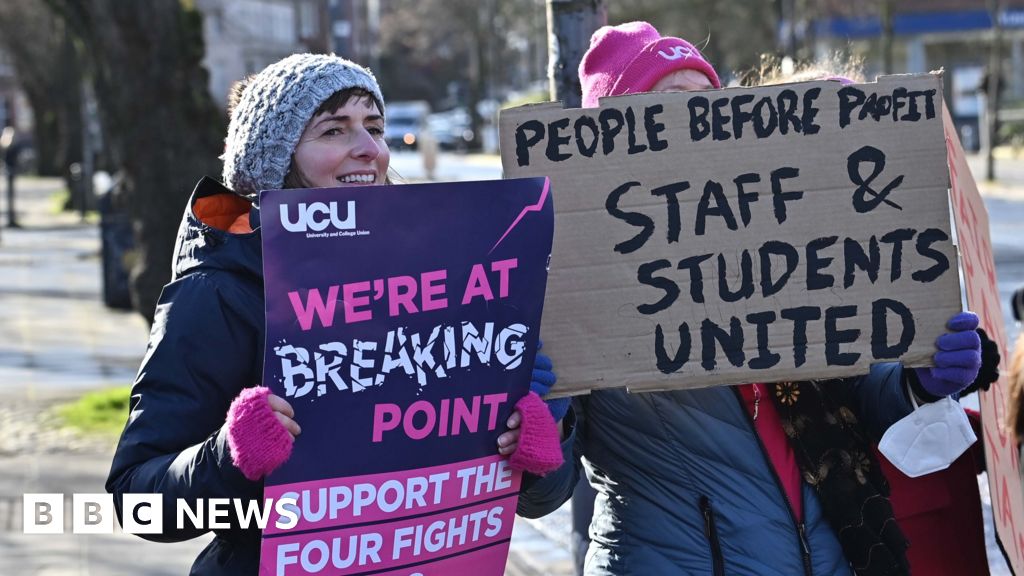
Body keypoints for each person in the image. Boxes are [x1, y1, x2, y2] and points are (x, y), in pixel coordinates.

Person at [517, 22, 987, 576]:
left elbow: (857, 388)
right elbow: (540, 498)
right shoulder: (568, 276)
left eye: (708, 101)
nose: (699, 120)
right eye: (669, 105)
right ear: (619, 137)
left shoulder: (779, 240)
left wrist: (917, 380)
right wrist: (545, 423)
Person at [105, 53, 562, 575]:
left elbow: (537, 502)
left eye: (374, 127)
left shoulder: (447, 282)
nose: (369, 150)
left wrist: (543, 448)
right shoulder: (219, 292)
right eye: (334, 130)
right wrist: (228, 456)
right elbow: (137, 497)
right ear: (276, 158)